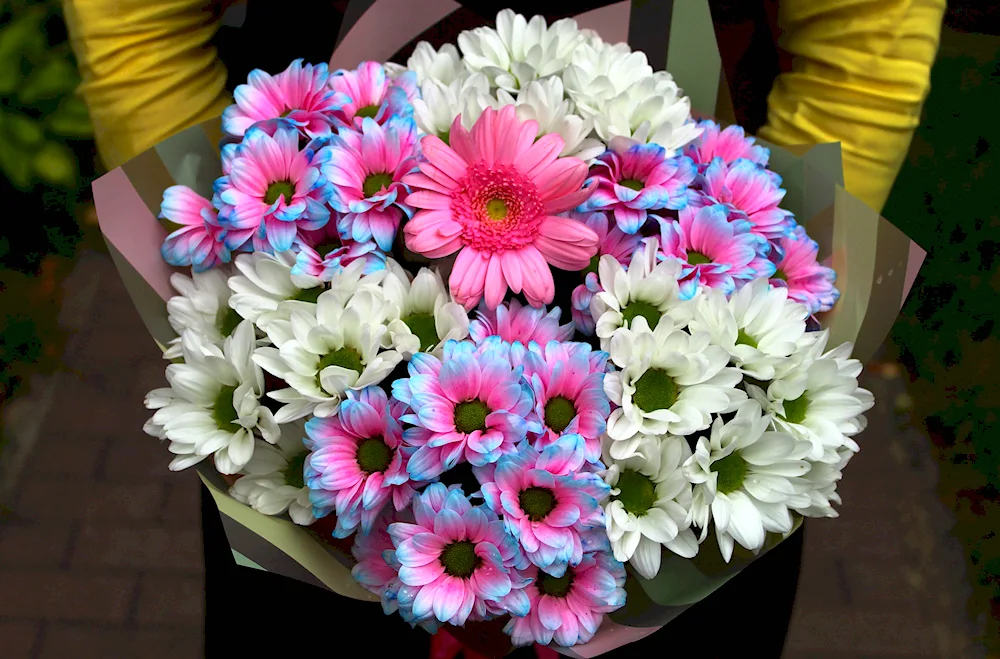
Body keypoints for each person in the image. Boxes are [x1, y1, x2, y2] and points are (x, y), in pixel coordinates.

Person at [61, 1, 946, 657]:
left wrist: (778, 283)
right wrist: (220, 293)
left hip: (686, 419)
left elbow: (865, 33)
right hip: (306, 396)